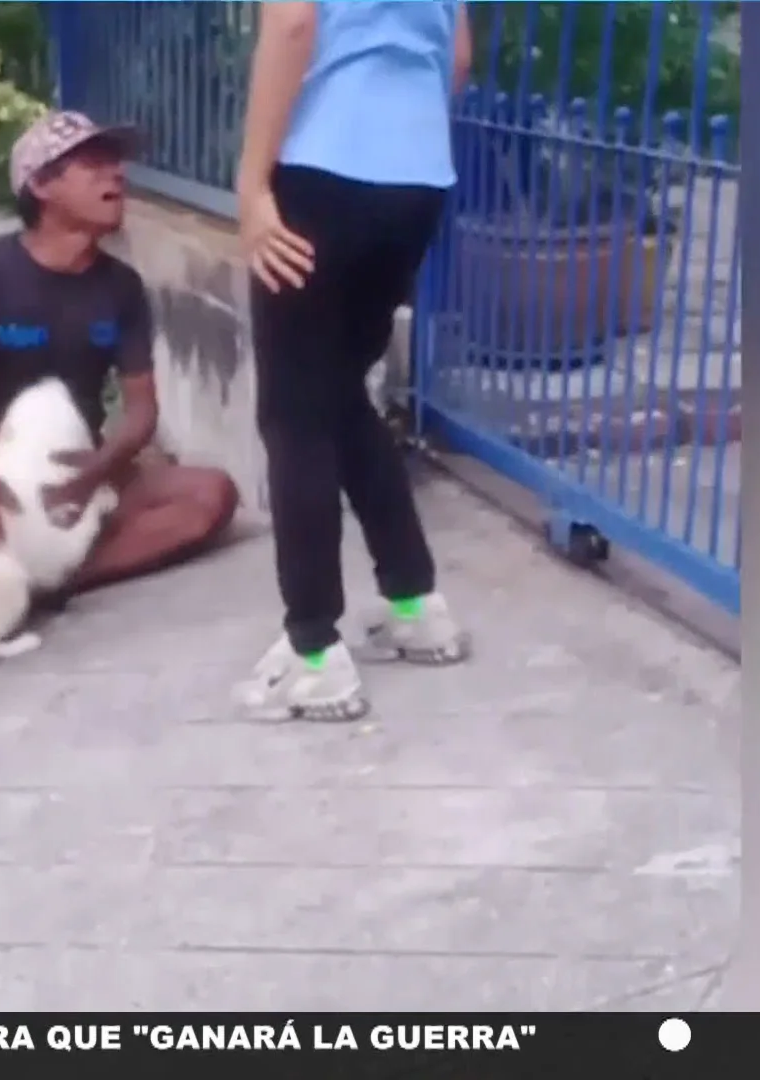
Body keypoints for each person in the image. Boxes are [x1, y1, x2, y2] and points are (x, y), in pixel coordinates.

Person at [0, 111, 240, 628]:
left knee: (211, 495)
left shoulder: (122, 287)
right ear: (41, 185)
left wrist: (98, 470)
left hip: (76, 471)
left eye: (115, 164)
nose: (114, 175)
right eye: (91, 165)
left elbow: (142, 409)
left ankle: (48, 583)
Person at [231, 1, 475, 721]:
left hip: (323, 166)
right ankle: (413, 601)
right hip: (418, 177)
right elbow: (457, 55)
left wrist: (252, 183)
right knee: (338, 391)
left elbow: (294, 22)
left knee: (293, 410)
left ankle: (312, 650)